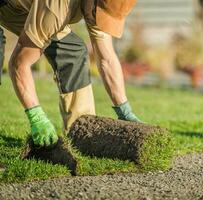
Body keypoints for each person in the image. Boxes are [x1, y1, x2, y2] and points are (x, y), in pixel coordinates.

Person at [0, 0, 142, 147]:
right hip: (13, 6)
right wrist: (36, 117)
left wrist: (124, 110)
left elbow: (107, 60)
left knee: (72, 51)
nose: (98, 21)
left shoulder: (96, 7)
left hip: (21, 7)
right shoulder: (56, 9)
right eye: (97, 14)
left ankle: (82, 135)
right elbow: (19, 63)